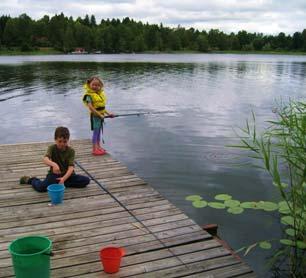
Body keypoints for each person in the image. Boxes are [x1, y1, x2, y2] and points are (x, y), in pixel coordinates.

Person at [20, 126, 90, 192]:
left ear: (68, 140)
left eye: (65, 141)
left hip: (68, 176)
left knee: (86, 180)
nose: (62, 144)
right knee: (41, 188)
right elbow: (45, 159)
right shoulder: (52, 148)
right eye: (60, 141)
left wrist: (63, 179)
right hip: (54, 175)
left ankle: (62, 182)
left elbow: (71, 168)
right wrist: (54, 164)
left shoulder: (71, 151)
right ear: (55, 140)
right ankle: (31, 180)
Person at [82, 76, 114, 155]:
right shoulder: (89, 95)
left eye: (97, 85)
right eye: (93, 85)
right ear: (89, 84)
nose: (95, 87)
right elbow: (91, 107)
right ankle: (94, 149)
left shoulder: (98, 94)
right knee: (96, 133)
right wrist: (99, 115)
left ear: (100, 86)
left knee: (99, 132)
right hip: (95, 117)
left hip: (100, 116)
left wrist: (109, 114)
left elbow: (101, 108)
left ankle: (98, 147)